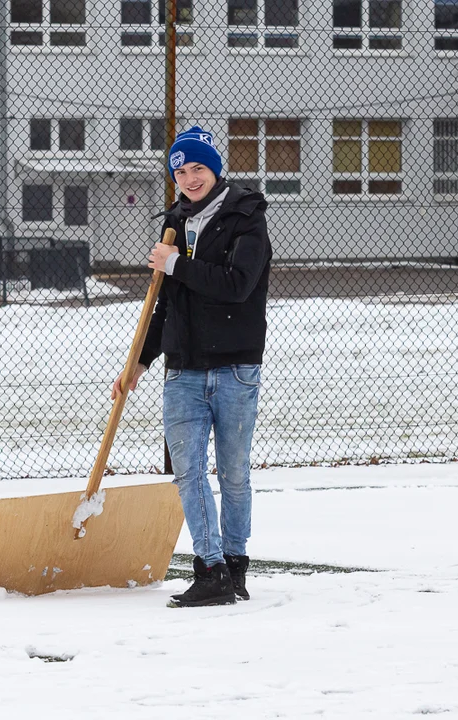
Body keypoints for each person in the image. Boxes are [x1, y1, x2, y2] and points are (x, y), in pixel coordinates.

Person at [112, 126, 272, 607]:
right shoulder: (175, 225)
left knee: (234, 472)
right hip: (182, 370)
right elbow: (166, 307)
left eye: (197, 168)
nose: (189, 178)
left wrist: (176, 264)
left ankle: (235, 563)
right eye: (180, 172)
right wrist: (141, 361)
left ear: (215, 169)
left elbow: (237, 284)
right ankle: (210, 568)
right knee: (187, 471)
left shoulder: (247, 217)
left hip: (234, 368)